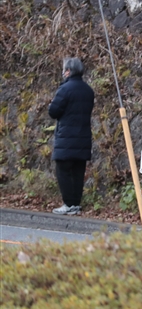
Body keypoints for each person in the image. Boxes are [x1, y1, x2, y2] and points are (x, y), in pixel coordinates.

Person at [48, 58, 94, 215]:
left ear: (68, 71)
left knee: (63, 170)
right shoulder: (88, 90)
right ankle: (75, 204)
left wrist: (51, 104)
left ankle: (68, 203)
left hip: (66, 138)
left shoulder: (65, 89)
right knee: (78, 171)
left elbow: (54, 111)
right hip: (83, 137)